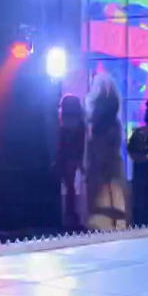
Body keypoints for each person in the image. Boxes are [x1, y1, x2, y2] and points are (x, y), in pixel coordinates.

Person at [85, 73, 129, 230]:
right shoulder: (113, 124)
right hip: (108, 164)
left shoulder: (99, 124)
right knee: (112, 199)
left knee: (103, 200)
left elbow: (99, 146)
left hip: (102, 165)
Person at [54, 94, 86, 230]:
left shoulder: (63, 125)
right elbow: (80, 146)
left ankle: (67, 217)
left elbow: (60, 145)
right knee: (70, 188)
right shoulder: (79, 126)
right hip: (71, 159)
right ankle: (71, 217)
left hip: (64, 158)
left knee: (68, 188)